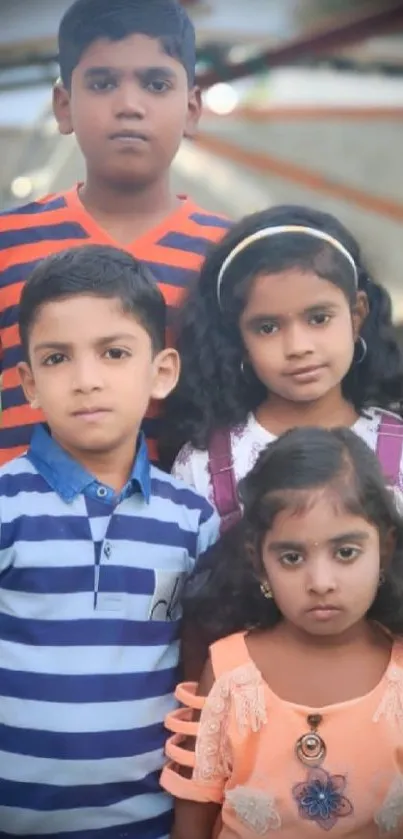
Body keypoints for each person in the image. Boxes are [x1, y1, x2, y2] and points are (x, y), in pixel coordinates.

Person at [0, 245, 219, 838]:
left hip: (148, 821)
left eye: (115, 353)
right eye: (57, 358)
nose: (87, 380)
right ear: (29, 384)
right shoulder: (5, 505)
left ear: (161, 372)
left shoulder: (194, 518)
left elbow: (207, 670)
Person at [0, 0, 230, 466]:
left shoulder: (230, 257)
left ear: (190, 110)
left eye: (156, 84)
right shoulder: (8, 241)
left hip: (183, 534)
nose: (129, 106)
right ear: (64, 107)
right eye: (102, 83)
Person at [161, 426, 403, 838]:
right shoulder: (230, 673)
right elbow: (194, 813)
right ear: (259, 564)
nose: (321, 581)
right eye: (292, 557)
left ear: (385, 549)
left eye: (346, 552)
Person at [168, 204, 403, 529]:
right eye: (267, 328)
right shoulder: (204, 466)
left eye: (319, 318)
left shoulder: (398, 449)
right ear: (238, 339)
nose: (298, 347)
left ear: (356, 315)